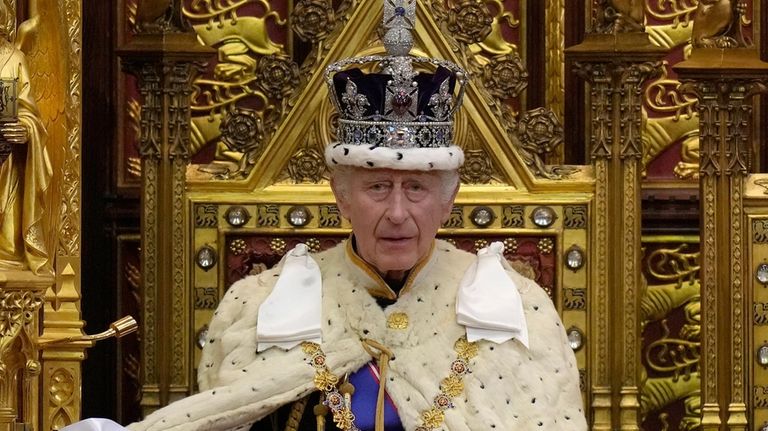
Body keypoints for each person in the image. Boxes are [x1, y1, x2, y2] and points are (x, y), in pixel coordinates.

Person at [126, 1, 586, 430]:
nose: (398, 213)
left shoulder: (519, 305)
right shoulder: (261, 303)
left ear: (449, 200)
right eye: (378, 188)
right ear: (341, 196)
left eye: (417, 188)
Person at [0, 3, 51, 275]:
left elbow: (30, 114)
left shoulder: (14, 58)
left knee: (8, 248)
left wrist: (25, 129)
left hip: (7, 165)